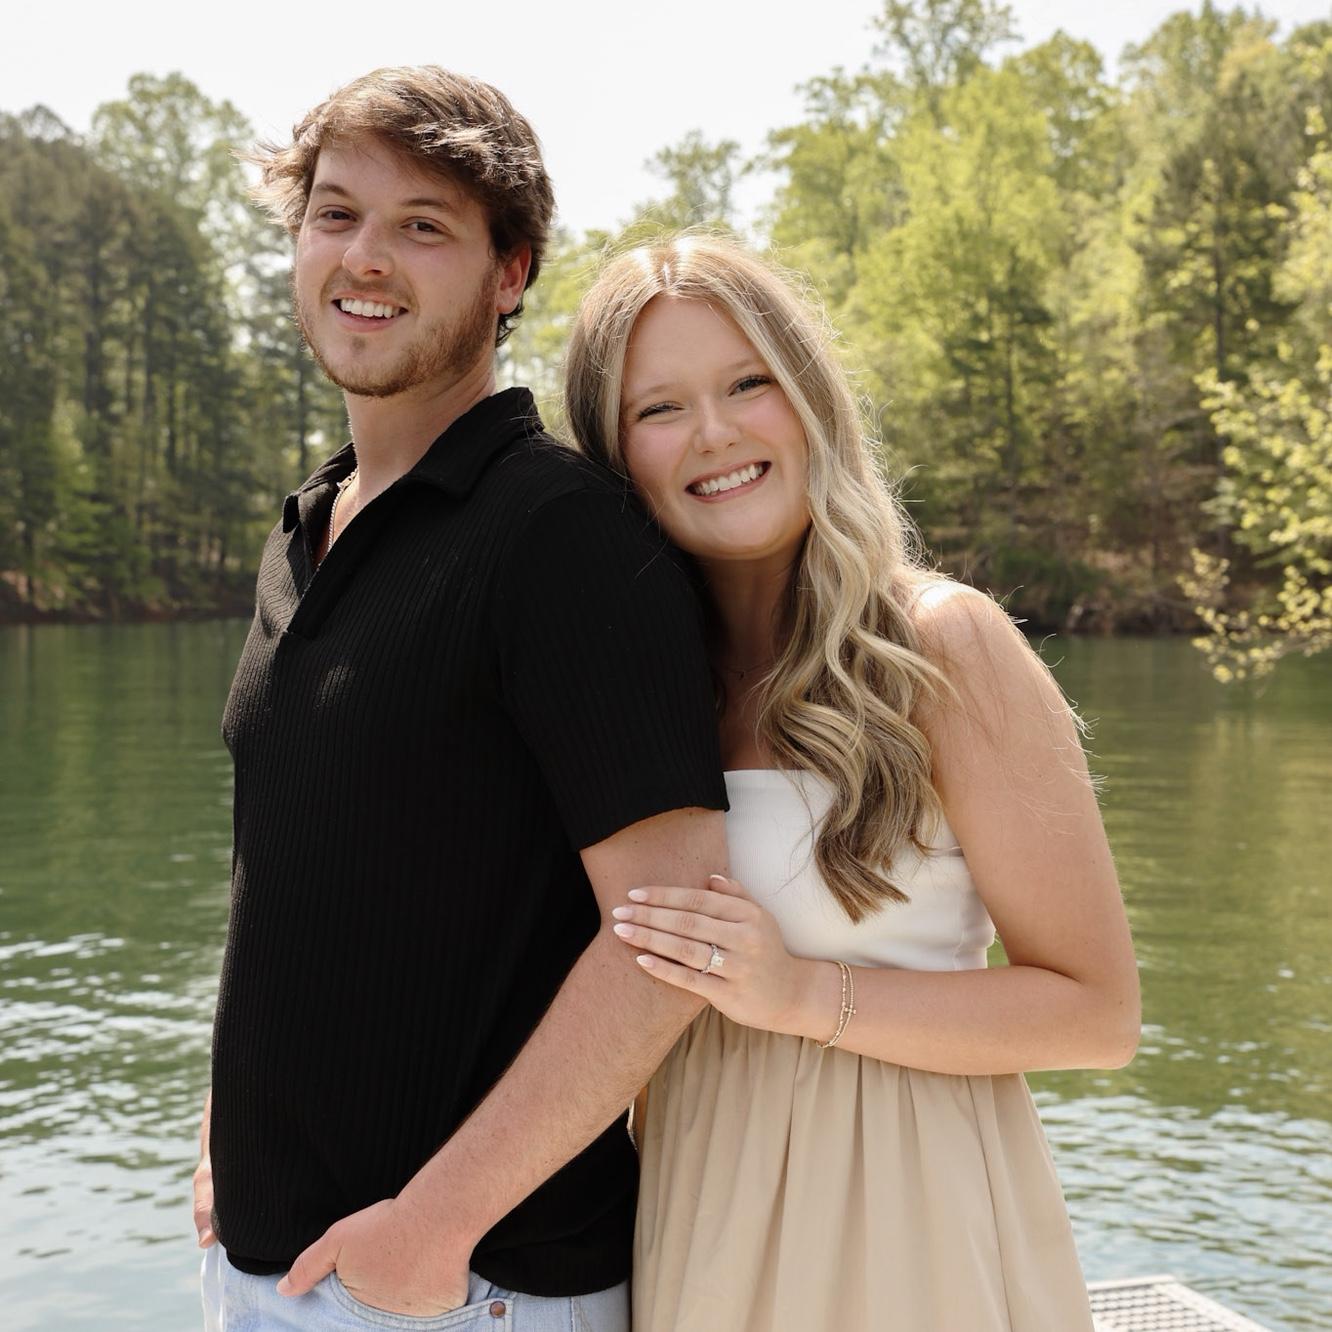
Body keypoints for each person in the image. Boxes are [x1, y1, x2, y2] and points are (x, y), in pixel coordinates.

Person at [194, 70, 730, 1331]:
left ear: (509, 273)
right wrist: (223, 1130)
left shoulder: (561, 534)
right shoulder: (310, 527)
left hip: (465, 1290)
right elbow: (293, 876)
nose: (365, 257)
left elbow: (674, 938)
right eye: (335, 215)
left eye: (423, 225)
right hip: (273, 1271)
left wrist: (435, 1227)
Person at [563, 234, 1141, 1332]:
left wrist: (800, 995)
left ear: (811, 399)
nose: (716, 433)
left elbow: (1098, 1015)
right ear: (613, 454)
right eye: (660, 408)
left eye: (748, 384)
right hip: (694, 1204)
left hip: (908, 1217)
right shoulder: (635, 692)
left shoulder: (943, 645)